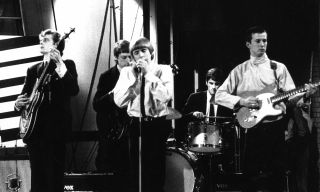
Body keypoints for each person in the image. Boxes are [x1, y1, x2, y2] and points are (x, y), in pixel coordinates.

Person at [215, 26, 316, 191]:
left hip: (276, 127)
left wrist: (305, 94)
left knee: (277, 175)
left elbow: (292, 97)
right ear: (248, 44)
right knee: (250, 176)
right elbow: (219, 95)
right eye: (258, 41)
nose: (262, 44)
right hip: (250, 128)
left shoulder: (278, 68)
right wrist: (242, 101)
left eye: (265, 40)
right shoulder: (239, 71)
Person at [14, 29, 79, 192]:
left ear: (57, 45)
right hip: (35, 133)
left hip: (56, 133)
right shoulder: (32, 69)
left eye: (46, 40)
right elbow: (24, 97)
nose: (41, 41)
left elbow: (73, 90)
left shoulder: (67, 64)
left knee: (54, 180)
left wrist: (59, 64)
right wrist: (17, 104)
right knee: (37, 180)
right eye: (41, 39)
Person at [113, 37, 172, 192]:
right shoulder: (126, 72)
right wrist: (135, 84)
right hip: (135, 123)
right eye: (136, 52)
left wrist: (148, 74)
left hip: (156, 124)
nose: (140, 55)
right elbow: (119, 101)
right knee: (135, 172)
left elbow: (165, 97)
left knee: (155, 172)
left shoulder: (163, 70)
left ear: (151, 53)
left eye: (144, 51)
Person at [182, 68, 234, 192]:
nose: (214, 87)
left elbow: (231, 122)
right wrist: (193, 113)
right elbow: (182, 117)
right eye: (211, 83)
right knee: (202, 173)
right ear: (206, 82)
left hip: (220, 143)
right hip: (198, 141)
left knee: (217, 174)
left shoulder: (227, 100)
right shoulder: (195, 97)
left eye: (217, 84)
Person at [92, 40, 131, 174]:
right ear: (116, 58)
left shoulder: (137, 75)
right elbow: (96, 104)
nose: (128, 61)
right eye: (124, 57)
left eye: (131, 57)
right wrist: (113, 94)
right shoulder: (107, 77)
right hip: (112, 133)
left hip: (130, 134)